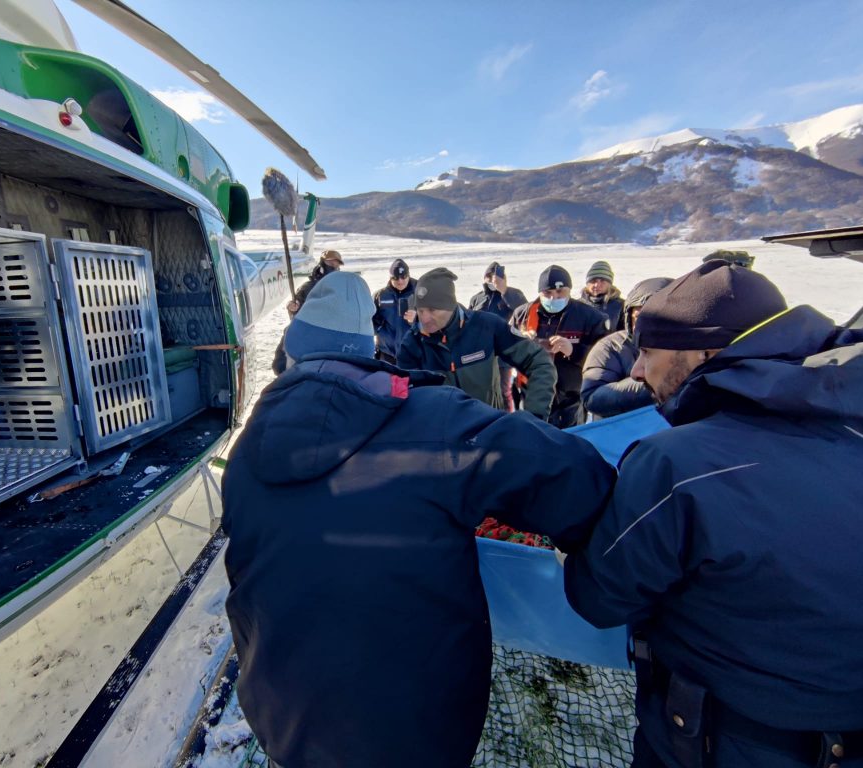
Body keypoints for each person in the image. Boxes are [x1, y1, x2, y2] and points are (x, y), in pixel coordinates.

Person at [223, 271, 616, 768]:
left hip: (285, 720)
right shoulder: (436, 422)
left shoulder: (243, 454)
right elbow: (574, 479)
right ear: (365, 347)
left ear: (294, 354)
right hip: (411, 733)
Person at [563, 260, 863, 768]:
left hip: (719, 741)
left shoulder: (676, 464)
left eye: (648, 353)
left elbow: (600, 597)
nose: (637, 372)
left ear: (703, 353)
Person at [397, 267, 555, 419]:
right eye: (421, 310)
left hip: (489, 432)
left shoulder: (486, 326)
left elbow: (539, 362)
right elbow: (408, 400)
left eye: (432, 310)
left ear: (450, 305)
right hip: (442, 440)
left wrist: (534, 417)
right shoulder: (412, 343)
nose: (424, 318)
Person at [510, 265, 610, 428]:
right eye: (547, 293)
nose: (553, 298)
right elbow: (504, 352)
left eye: (559, 292)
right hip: (529, 396)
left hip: (570, 399)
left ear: (569, 290)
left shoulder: (590, 317)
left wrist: (573, 351)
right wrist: (520, 346)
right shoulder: (523, 314)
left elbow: (603, 358)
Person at [580, 277, 672, 420]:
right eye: (639, 318)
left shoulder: (693, 348)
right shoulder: (611, 347)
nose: (648, 327)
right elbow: (592, 396)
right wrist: (652, 385)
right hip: (622, 434)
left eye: (658, 319)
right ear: (629, 318)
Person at [272, 249, 345, 374]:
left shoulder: (342, 289)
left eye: (336, 265)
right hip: (307, 333)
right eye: (330, 264)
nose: (333, 267)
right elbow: (296, 304)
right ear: (322, 265)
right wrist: (292, 307)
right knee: (281, 364)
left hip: (331, 335)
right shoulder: (308, 287)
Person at [469, 261, 528, 411]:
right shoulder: (477, 298)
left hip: (504, 354)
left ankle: (507, 422)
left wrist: (504, 291)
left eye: (496, 276)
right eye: (489, 276)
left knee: (504, 391)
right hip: (481, 353)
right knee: (482, 390)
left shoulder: (513, 294)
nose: (492, 280)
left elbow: (525, 313)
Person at [372, 258, 417, 364]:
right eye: (396, 278)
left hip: (415, 355)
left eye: (403, 276)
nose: (400, 281)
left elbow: (435, 320)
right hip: (387, 355)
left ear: (408, 275)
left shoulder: (421, 293)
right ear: (390, 277)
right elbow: (368, 321)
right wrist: (379, 328)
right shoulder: (380, 296)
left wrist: (418, 318)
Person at [577, 260, 625, 330]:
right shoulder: (577, 305)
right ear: (587, 283)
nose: (597, 285)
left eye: (602, 281)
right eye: (593, 281)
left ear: (609, 284)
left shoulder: (621, 306)